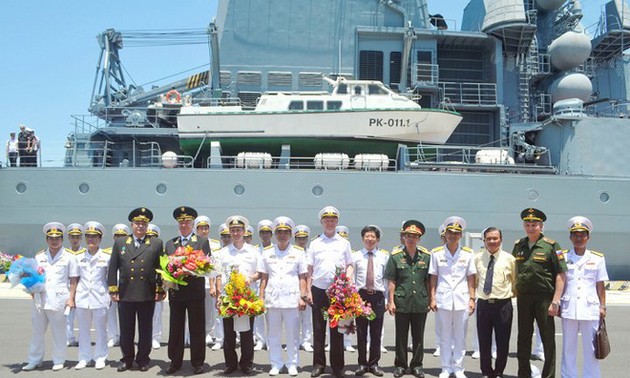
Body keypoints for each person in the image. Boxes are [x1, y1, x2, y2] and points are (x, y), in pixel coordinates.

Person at [107, 207, 165, 372]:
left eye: (143, 224)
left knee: (145, 329)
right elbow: (113, 267)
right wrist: (113, 289)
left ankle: (143, 359)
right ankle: (127, 359)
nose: (140, 226)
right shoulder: (120, 243)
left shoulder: (156, 243)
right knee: (126, 329)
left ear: (147, 226)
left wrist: (160, 289)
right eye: (137, 223)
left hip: (146, 292)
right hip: (125, 293)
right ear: (131, 225)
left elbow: (160, 268)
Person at [512, 208, 567, 378]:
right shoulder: (518, 245)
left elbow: (561, 274)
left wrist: (555, 301)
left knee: (548, 339)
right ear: (524, 226)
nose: (531, 228)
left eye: (534, 224)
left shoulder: (551, 245)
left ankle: (548, 375)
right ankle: (524, 374)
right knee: (523, 339)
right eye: (527, 224)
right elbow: (514, 269)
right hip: (524, 299)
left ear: (541, 226)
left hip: (544, 299)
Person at [22, 222, 79, 371]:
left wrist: (71, 298)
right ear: (47, 239)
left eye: (57, 238)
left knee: (59, 332)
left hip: (59, 299)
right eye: (51, 238)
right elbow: (34, 276)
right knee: (37, 332)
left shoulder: (69, 257)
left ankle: (59, 359)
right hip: (40, 299)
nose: (54, 241)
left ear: (62, 239)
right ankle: (34, 360)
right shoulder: (39, 256)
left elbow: (73, 280)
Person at [306, 206, 354, 378]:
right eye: (326, 220)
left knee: (337, 329)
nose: (329, 222)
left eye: (333, 220)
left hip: (338, 293)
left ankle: (338, 366)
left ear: (337, 222)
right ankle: (319, 365)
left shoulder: (344, 243)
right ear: (322, 222)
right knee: (319, 328)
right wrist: (308, 291)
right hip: (319, 291)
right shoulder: (315, 243)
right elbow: (310, 268)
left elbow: (350, 264)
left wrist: (346, 282)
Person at [164, 206, 212, 375]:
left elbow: (207, 266)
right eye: (181, 222)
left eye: (187, 222)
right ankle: (175, 361)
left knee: (197, 328)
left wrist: (190, 269)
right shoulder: (170, 243)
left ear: (192, 224)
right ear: (178, 224)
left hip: (194, 292)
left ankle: (198, 362)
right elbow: (166, 267)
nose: (184, 225)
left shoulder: (201, 242)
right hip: (176, 293)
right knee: (175, 328)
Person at [258, 216, 308, 376]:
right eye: (279, 232)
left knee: (293, 334)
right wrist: (260, 297)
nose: (282, 235)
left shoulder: (299, 253)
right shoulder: (266, 253)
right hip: (272, 299)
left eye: (286, 232)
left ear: (291, 234)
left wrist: (303, 296)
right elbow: (264, 277)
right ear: (275, 234)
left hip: (292, 299)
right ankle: (276, 363)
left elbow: (302, 277)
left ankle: (292, 363)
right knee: (273, 334)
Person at [560, 216, 608, 378]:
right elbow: (560, 280)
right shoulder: (563, 257)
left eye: (582, 235)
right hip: (569, 307)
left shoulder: (597, 258)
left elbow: (600, 284)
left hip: (590, 308)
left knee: (592, 348)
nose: (579, 238)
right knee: (568, 348)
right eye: (575, 235)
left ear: (588, 237)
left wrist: (602, 306)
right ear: (570, 237)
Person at [429, 216, 476, 378]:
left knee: (460, 337)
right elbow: (433, 277)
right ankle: (445, 367)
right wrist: (432, 298)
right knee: (445, 336)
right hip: (443, 300)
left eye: (456, 233)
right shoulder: (436, 254)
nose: (453, 236)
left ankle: (458, 368)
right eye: (450, 233)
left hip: (462, 300)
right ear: (445, 234)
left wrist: (472, 298)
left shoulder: (468, 254)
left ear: (461, 236)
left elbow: (471, 278)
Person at [214, 215, 261, 375]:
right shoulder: (223, 253)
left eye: (238, 230)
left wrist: (251, 278)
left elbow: (260, 273)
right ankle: (230, 364)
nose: (236, 233)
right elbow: (219, 275)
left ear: (244, 231)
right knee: (229, 334)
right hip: (228, 298)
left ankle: (247, 363)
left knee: (247, 333)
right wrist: (219, 295)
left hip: (247, 298)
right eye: (233, 230)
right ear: (229, 232)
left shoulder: (253, 251)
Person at [385, 220, 431, 378]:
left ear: (419, 239)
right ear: (403, 238)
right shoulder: (395, 257)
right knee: (401, 335)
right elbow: (392, 280)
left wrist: (431, 299)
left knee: (418, 336)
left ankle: (417, 365)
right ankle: (400, 365)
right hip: (402, 301)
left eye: (414, 236)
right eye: (408, 236)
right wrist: (390, 301)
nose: (411, 239)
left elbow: (428, 280)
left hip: (420, 301)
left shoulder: (426, 256)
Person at [474, 227, 516, 378]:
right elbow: (475, 281)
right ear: (484, 241)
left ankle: (499, 372)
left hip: (503, 305)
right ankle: (486, 371)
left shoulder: (509, 259)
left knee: (502, 341)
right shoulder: (477, 258)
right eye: (489, 239)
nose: (492, 241)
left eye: (495, 238)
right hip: (484, 305)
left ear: (501, 239)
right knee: (484, 341)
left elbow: (515, 281)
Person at [74, 221, 110, 370]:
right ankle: (84, 357)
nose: (91, 239)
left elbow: (112, 278)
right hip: (82, 297)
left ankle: (100, 357)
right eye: (88, 236)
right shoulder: (78, 257)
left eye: (94, 237)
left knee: (101, 329)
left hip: (100, 297)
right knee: (83, 330)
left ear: (100, 239)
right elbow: (74, 279)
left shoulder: (107, 257)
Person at [354, 225, 389, 377]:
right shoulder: (356, 256)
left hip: (378, 297)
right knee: (361, 332)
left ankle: (374, 363)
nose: (370, 239)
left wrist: (387, 299)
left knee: (376, 331)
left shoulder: (384, 256)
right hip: (360, 296)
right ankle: (362, 363)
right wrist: (352, 299)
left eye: (373, 237)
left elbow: (387, 280)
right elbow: (352, 278)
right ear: (362, 239)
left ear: (378, 239)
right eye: (367, 236)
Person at [194, 215, 221, 346]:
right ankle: (194, 333)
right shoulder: (193, 242)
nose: (204, 231)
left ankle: (209, 333)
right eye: (201, 228)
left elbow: (216, 264)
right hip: (196, 282)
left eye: (206, 228)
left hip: (209, 281)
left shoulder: (215, 244)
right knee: (195, 310)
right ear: (196, 229)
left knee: (210, 310)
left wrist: (215, 283)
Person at [106, 223, 131, 348]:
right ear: (113, 237)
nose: (119, 238)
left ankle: (123, 336)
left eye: (122, 236)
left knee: (125, 315)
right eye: (117, 236)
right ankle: (113, 336)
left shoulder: (130, 251)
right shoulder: (106, 252)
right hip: (110, 287)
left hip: (125, 287)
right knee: (110, 313)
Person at [211, 222, 232, 351]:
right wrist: (212, 286)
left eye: (228, 236)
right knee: (219, 315)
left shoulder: (237, 250)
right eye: (224, 236)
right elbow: (213, 271)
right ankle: (219, 339)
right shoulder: (217, 253)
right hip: (221, 288)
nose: (226, 238)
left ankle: (233, 338)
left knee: (235, 315)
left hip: (235, 288)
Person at [65, 223, 86, 347]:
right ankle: (69, 338)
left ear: (81, 238)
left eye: (77, 237)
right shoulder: (65, 253)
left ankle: (82, 338)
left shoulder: (85, 252)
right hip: (68, 286)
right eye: (72, 237)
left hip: (82, 287)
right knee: (68, 315)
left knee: (82, 316)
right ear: (69, 238)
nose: (75, 239)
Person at [254, 219, 274, 351]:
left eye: (267, 232)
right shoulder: (254, 250)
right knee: (258, 315)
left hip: (272, 285)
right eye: (263, 232)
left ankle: (272, 341)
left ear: (271, 234)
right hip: (256, 286)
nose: (265, 235)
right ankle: (260, 340)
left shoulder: (276, 249)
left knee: (272, 317)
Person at [294, 224, 314, 352]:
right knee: (294, 318)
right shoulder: (292, 253)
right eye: (299, 238)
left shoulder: (311, 253)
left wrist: (309, 290)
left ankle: (306, 341)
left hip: (308, 288)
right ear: (295, 239)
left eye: (304, 238)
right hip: (294, 289)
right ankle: (295, 341)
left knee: (307, 317)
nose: (301, 241)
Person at [146, 224, 163, 350]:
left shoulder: (159, 249)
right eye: (149, 236)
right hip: (144, 287)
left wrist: (160, 287)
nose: (151, 239)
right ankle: (147, 338)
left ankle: (156, 337)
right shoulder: (142, 248)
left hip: (156, 285)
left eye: (154, 237)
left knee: (157, 314)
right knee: (145, 316)